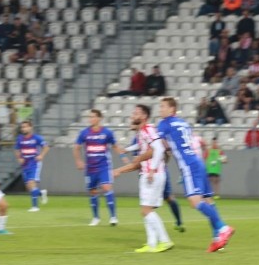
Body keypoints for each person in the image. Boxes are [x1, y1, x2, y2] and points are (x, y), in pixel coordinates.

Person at [118, 97, 234, 253]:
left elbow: (155, 143)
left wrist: (138, 155)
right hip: (197, 160)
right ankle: (217, 238)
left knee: (195, 201)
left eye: (163, 107)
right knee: (208, 200)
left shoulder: (164, 124)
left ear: (172, 109)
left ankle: (222, 227)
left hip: (188, 165)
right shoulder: (183, 123)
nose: (160, 110)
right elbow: (171, 143)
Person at [114, 104, 174, 253]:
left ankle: (165, 241)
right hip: (149, 174)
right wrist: (127, 149)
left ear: (144, 117)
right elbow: (143, 147)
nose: (133, 115)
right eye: (133, 112)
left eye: (136, 113)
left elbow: (159, 148)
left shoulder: (148, 129)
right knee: (146, 209)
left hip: (152, 174)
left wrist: (153, 169)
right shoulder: (142, 132)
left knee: (146, 210)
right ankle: (151, 243)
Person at [73, 109, 123, 226]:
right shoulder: (84, 133)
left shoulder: (107, 133)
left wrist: (123, 155)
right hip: (90, 168)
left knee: (107, 187)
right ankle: (96, 217)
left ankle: (113, 217)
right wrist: (78, 161)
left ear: (99, 118)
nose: (91, 119)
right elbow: (76, 148)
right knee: (93, 192)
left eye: (93, 117)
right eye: (90, 117)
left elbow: (115, 146)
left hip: (103, 166)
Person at [14, 120, 49, 212]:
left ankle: (35, 207)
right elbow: (17, 150)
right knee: (29, 187)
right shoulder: (19, 138)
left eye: (25, 126)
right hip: (25, 164)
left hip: (34, 163)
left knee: (31, 183)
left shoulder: (37, 138)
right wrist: (19, 158)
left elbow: (46, 147)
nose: (23, 128)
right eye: (22, 127)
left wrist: (41, 155)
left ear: (30, 127)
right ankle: (41, 193)